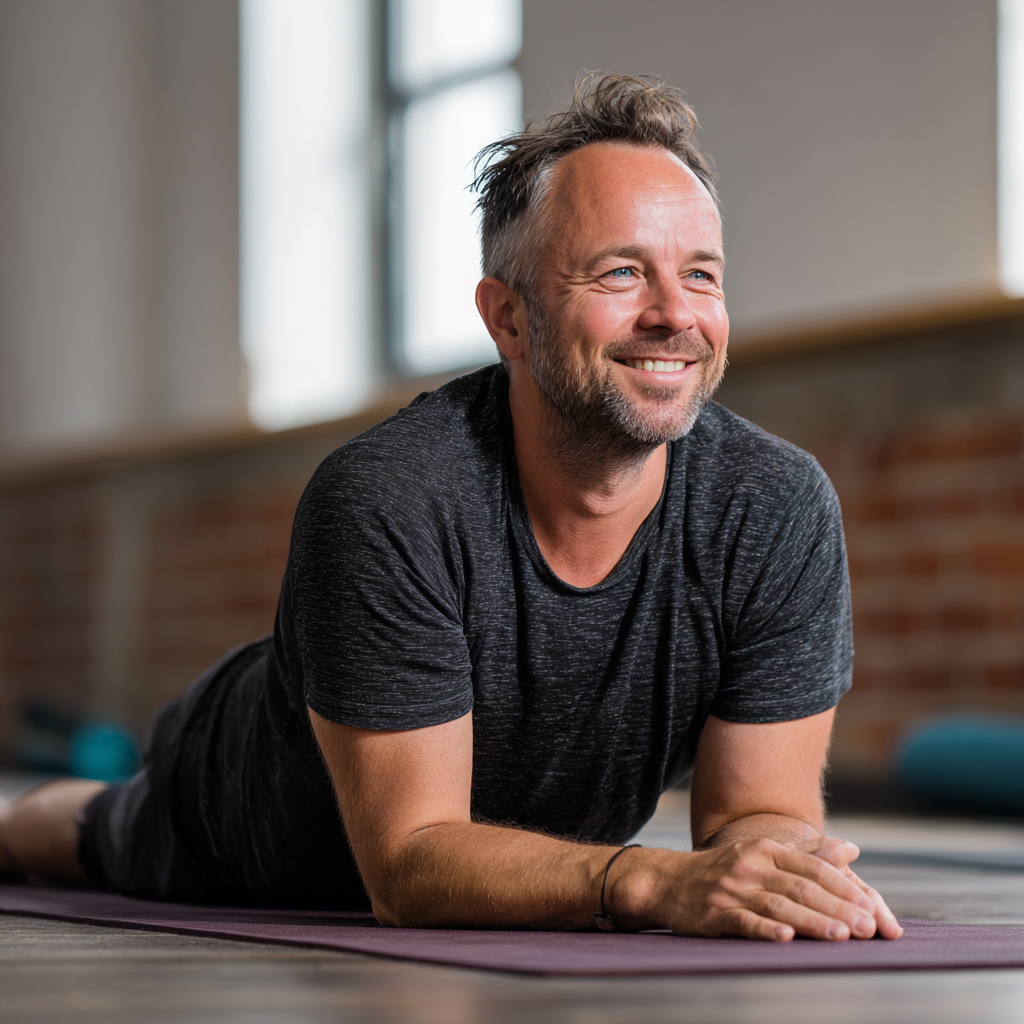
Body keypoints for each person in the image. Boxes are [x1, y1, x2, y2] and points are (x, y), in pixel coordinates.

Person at [0, 74, 902, 943]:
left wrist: (779, 871)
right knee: (93, 832)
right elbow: (410, 864)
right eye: (622, 272)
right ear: (507, 318)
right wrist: (649, 879)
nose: (675, 314)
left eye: (701, 275)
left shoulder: (774, 505)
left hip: (545, 848)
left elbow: (758, 812)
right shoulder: (388, 497)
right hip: (255, 819)